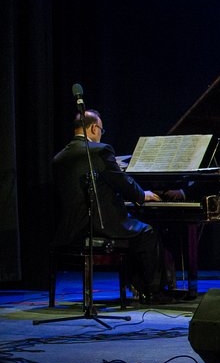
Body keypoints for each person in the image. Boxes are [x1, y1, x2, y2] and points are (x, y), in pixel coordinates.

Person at [52, 110, 174, 304]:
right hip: (100, 225)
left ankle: (137, 287)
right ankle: (154, 292)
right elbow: (122, 182)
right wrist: (142, 194)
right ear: (94, 128)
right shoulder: (99, 151)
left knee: (134, 231)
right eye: (101, 130)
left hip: (71, 229)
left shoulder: (59, 157)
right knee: (147, 233)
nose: (101, 134)